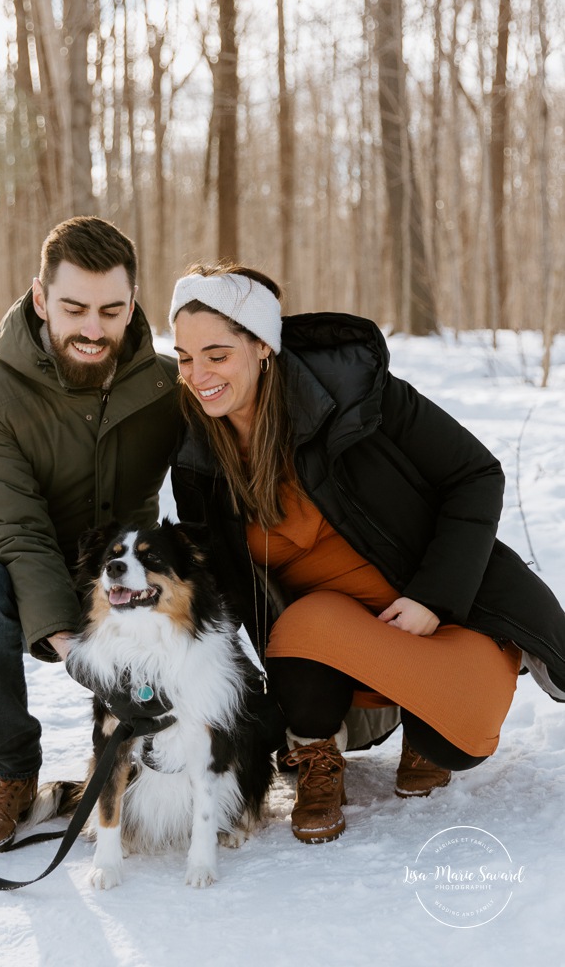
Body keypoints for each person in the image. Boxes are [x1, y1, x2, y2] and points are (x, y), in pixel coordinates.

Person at [168, 263, 565, 844]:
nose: (199, 375)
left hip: (439, 618)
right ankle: (316, 755)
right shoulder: (199, 452)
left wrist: (432, 596)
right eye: (183, 358)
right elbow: (220, 583)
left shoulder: (356, 397)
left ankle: (421, 720)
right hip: (323, 639)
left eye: (217, 354)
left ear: (261, 347)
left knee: (458, 742)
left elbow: (477, 474)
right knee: (304, 627)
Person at [0, 216, 181, 854]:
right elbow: (13, 529)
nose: (93, 329)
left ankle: (268, 733)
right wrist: (75, 644)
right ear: (41, 299)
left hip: (126, 568)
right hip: (16, 571)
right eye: (74, 308)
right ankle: (13, 777)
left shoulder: (164, 386)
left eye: (111, 309)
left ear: (133, 304)